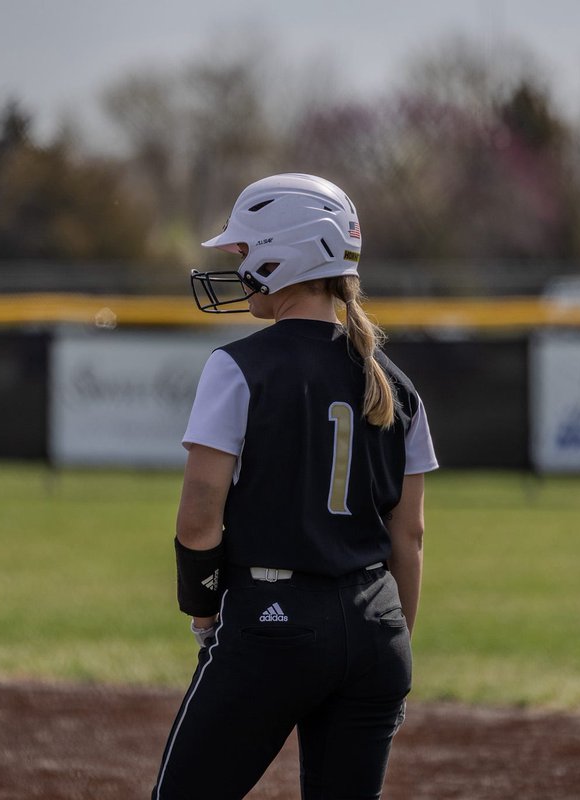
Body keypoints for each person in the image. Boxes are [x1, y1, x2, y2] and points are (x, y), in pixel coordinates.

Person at [153, 173, 438, 798]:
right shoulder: (398, 384)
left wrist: (204, 616)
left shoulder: (237, 367)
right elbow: (408, 535)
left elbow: (199, 516)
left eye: (244, 248)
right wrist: (392, 643)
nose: (236, 261)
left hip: (272, 623)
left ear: (289, 251)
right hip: (377, 629)